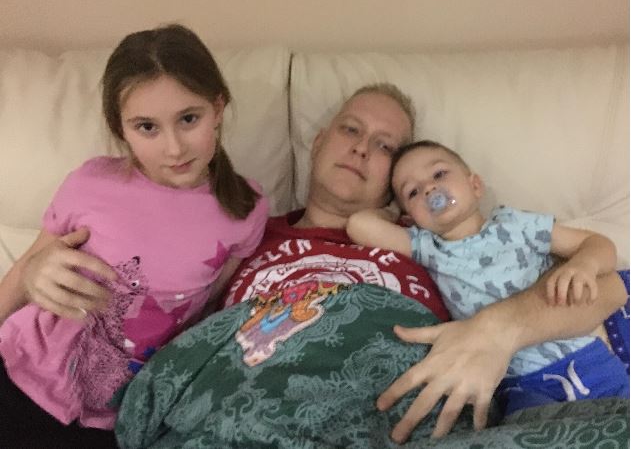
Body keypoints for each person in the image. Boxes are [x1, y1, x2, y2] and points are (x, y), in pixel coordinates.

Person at [10, 83, 628, 444]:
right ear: (318, 139)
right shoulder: (244, 232)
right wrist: (39, 270)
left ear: (399, 182)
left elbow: (604, 292)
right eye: (350, 130)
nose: (361, 148)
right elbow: (150, 287)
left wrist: (499, 329)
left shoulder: (434, 243)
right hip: (244, 391)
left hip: (396, 409)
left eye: (384, 146)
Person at [0, 24, 269, 446]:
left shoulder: (246, 209)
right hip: (20, 372)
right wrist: (36, 272)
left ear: (218, 108)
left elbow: (208, 311)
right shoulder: (90, 182)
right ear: (120, 129)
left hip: (120, 416)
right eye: (147, 127)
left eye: (189, 119)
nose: (174, 148)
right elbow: (26, 271)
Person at [346, 139, 629, 417]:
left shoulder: (516, 224)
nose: (429, 188)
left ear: (475, 185)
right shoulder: (427, 247)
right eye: (413, 192)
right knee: (533, 432)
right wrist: (392, 210)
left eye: (439, 174)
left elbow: (598, 244)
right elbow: (359, 225)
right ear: (411, 218)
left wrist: (583, 264)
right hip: (518, 382)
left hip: (584, 355)